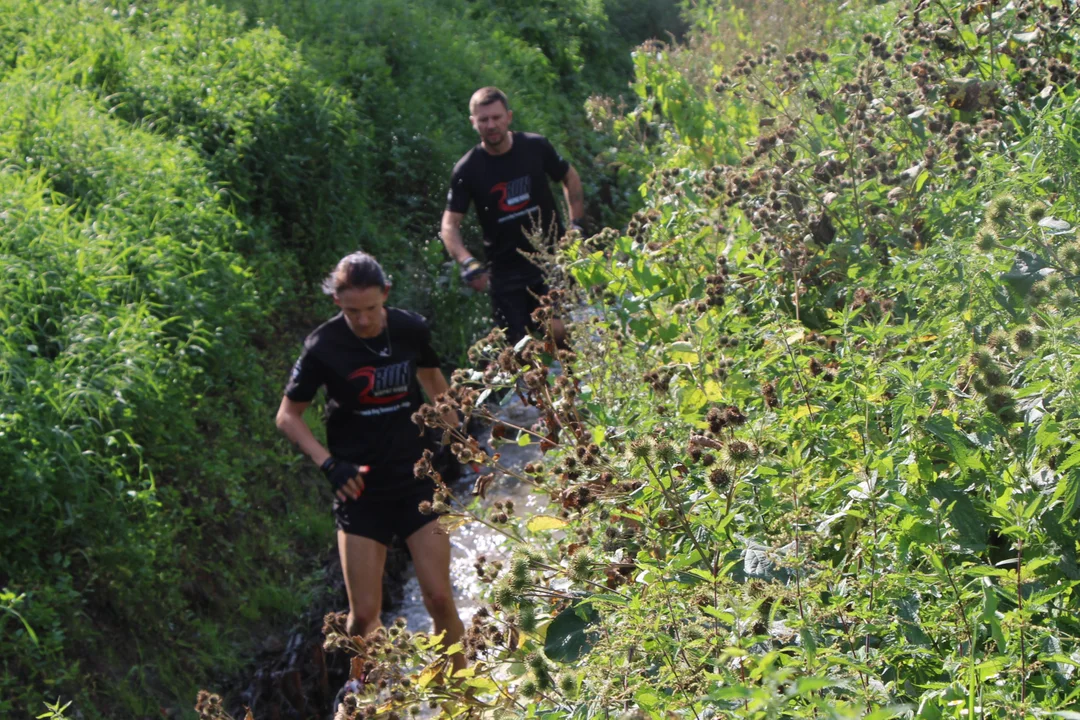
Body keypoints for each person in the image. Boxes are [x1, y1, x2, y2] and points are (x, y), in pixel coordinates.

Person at [275, 252, 465, 672]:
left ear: (386, 295)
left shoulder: (410, 330)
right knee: (363, 614)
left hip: (416, 479)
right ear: (337, 304)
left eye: (371, 309)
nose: (363, 321)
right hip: (359, 489)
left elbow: (435, 384)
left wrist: (458, 438)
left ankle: (461, 700)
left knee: (438, 596)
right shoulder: (324, 346)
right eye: (352, 312)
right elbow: (288, 416)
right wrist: (329, 465)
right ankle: (364, 700)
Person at [440, 86, 585, 345]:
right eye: (483, 120)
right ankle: (544, 383)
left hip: (551, 259)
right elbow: (449, 225)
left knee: (559, 331)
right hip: (505, 273)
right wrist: (468, 262)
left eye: (496, 117)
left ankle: (577, 381)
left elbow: (569, 176)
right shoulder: (468, 169)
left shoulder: (535, 147)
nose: (491, 125)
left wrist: (576, 225)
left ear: (509, 116)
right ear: (473, 123)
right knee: (521, 351)